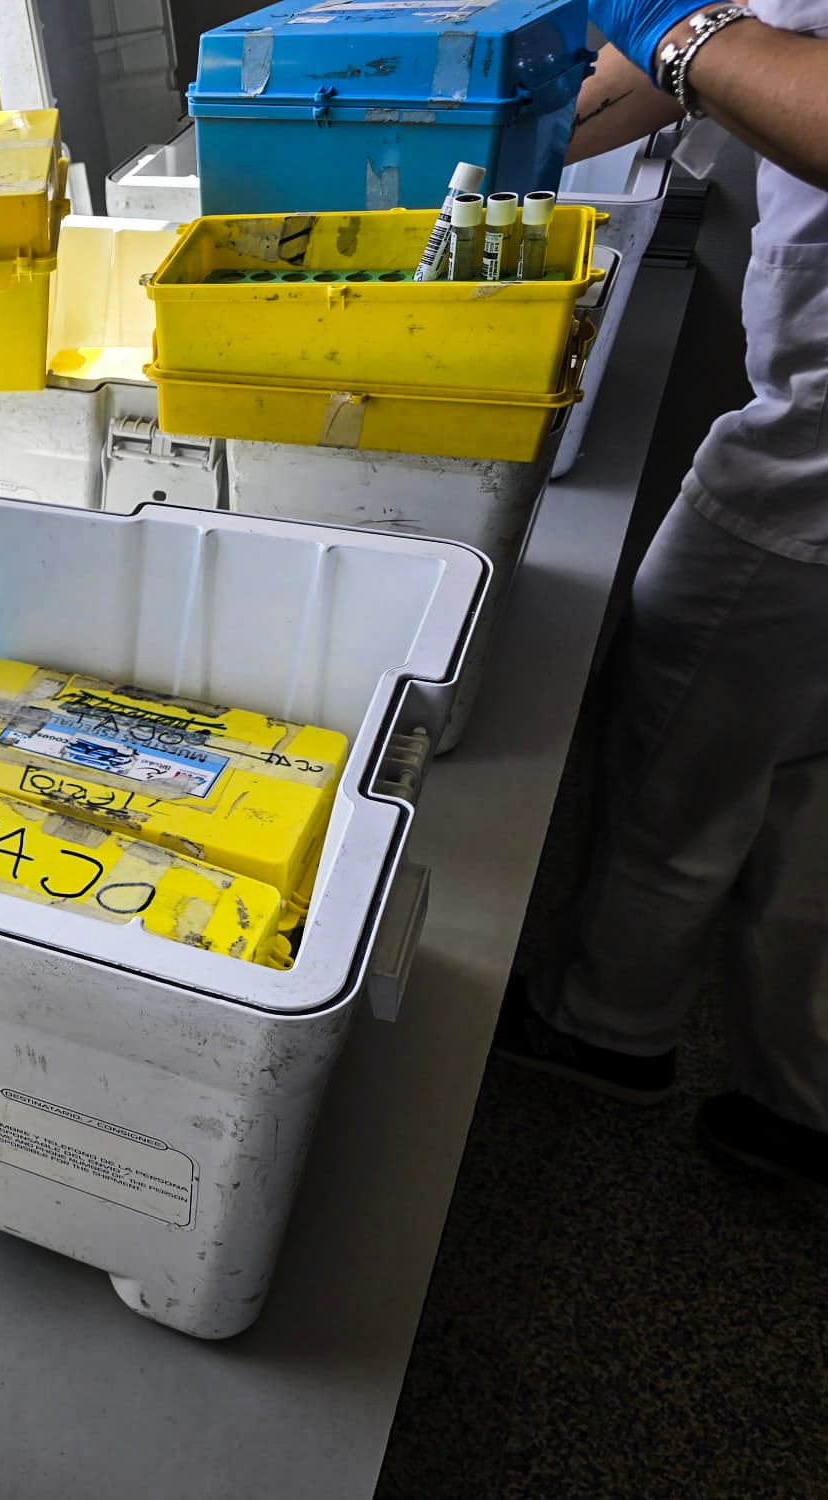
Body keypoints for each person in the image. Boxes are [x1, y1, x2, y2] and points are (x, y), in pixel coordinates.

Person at [493, 0, 828, 1191]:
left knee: (679, 734)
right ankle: (798, 1101)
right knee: (795, 772)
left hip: (809, 467)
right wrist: (484, 139)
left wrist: (685, 31)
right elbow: (684, 75)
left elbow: (719, 60)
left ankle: (602, 1025)